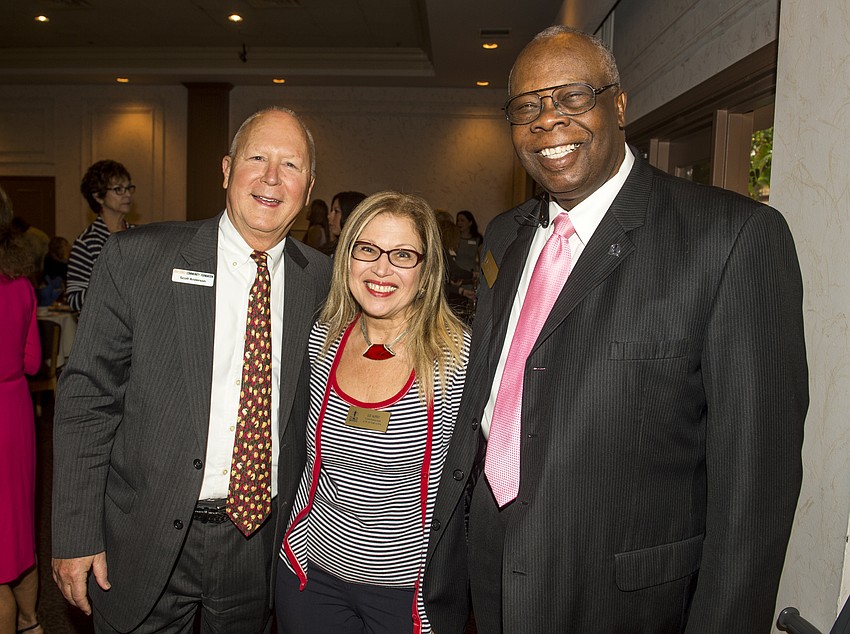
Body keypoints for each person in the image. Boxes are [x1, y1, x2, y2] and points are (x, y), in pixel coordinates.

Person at [423, 25, 808, 634]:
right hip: (491, 578)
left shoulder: (733, 240)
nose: (548, 120)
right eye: (526, 106)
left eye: (573, 97)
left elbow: (754, 495)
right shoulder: (505, 235)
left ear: (619, 105)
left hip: (625, 601)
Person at [51, 106, 332, 633]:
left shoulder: (322, 280)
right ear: (226, 170)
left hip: (259, 541)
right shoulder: (138, 259)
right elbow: (87, 402)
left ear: (309, 186)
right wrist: (75, 534)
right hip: (143, 532)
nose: (272, 177)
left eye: (290, 165)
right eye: (257, 158)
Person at [276, 191, 469, 634]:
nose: (381, 269)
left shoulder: (458, 359)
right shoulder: (323, 339)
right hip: (310, 575)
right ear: (347, 257)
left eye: (402, 255)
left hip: (407, 595)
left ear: (426, 270)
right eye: (367, 249)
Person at [0, 186, 44, 634]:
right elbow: (32, 362)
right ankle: (32, 622)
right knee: (17, 534)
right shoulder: (21, 284)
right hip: (14, 413)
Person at [65, 159, 135, 312]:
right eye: (118, 189)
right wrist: (111, 283)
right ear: (98, 197)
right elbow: (74, 300)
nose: (128, 194)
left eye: (129, 188)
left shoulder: (138, 236)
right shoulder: (86, 243)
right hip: (103, 331)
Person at [321, 190, 367, 256]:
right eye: (331, 210)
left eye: (336, 211)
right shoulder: (330, 250)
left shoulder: (359, 254)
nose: (329, 216)